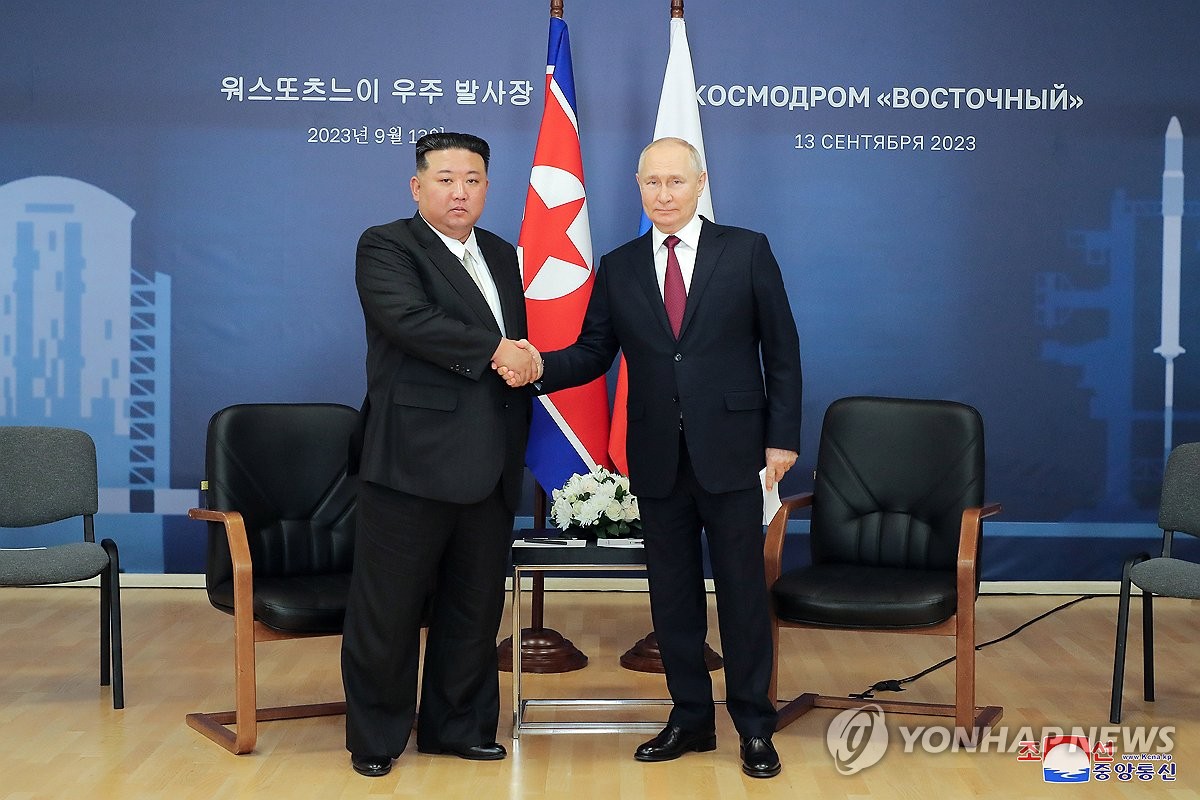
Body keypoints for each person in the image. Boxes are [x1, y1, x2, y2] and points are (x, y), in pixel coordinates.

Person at [500, 137, 802, 779]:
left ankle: (753, 725)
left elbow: (782, 351)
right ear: (638, 187)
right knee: (673, 598)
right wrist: (537, 366)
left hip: (734, 453)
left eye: (675, 182)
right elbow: (592, 353)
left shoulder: (745, 250)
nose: (663, 194)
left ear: (700, 183)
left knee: (744, 597)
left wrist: (781, 440)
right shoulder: (620, 265)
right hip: (657, 458)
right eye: (651, 183)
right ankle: (690, 719)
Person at [342, 131, 536, 778]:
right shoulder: (388, 245)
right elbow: (410, 320)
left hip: (491, 462)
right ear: (417, 185)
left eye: (474, 179)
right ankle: (376, 738)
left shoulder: (505, 255)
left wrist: (523, 360)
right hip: (412, 462)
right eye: (447, 178)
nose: (461, 191)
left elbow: (515, 347)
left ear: (487, 186)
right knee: (388, 610)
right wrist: (498, 351)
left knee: (473, 607)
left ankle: (458, 727)